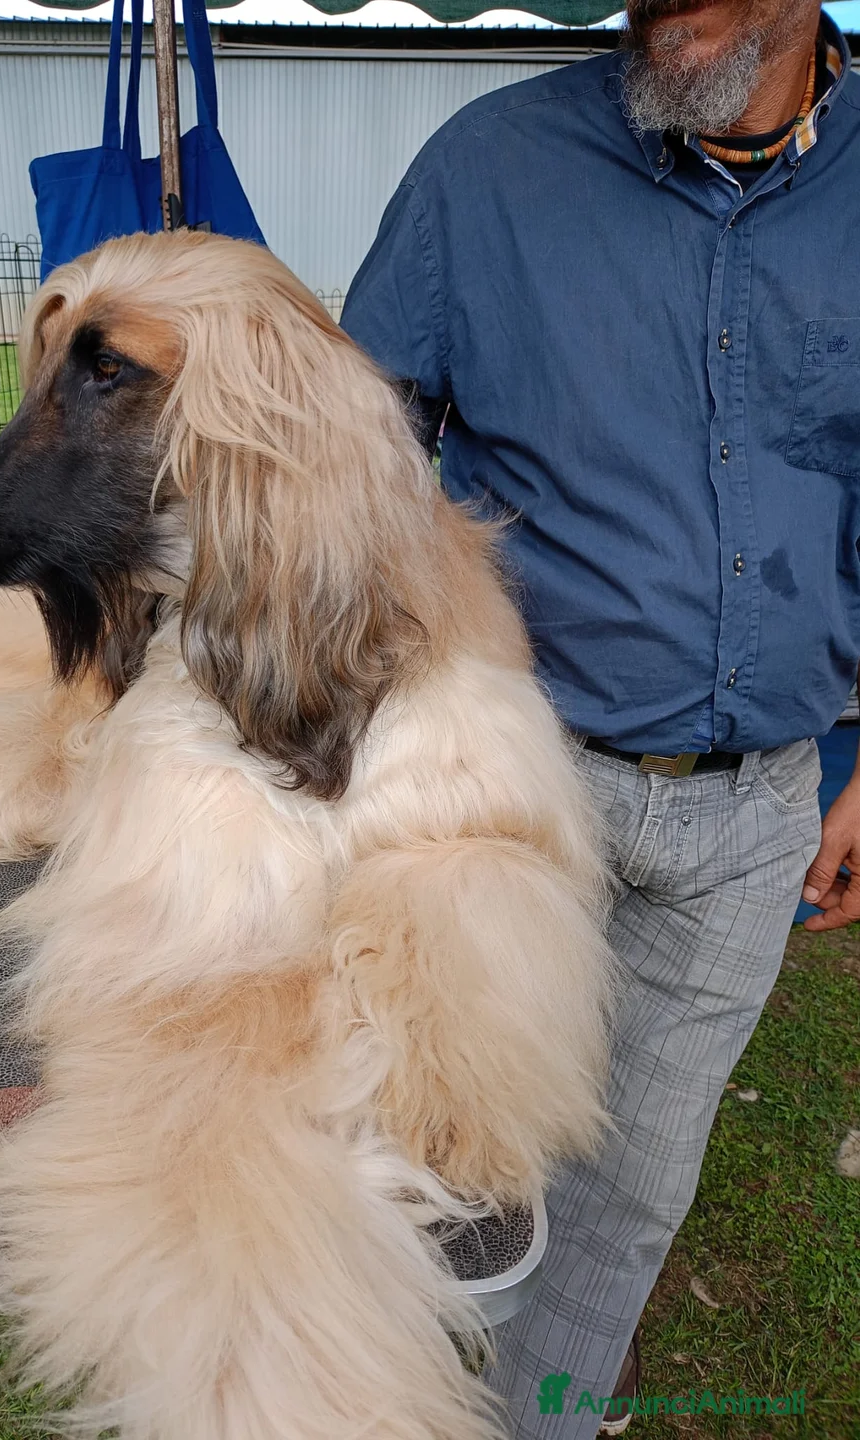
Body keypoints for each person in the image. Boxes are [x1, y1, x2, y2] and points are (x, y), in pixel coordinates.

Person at [341, 1, 860, 1435]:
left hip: (762, 808)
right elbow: (353, 462)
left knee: (635, 1188)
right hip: (511, 780)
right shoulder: (486, 167)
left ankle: (547, 1417)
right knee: (440, 1158)